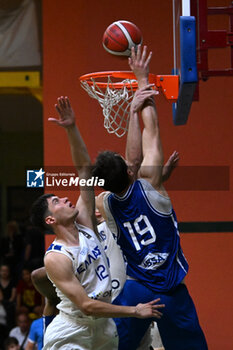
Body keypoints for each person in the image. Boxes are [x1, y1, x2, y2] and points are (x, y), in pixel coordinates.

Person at [92, 45, 208, 350]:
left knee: (114, 346)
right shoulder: (150, 183)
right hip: (170, 290)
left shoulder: (104, 203)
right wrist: (142, 82)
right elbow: (151, 131)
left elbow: (131, 163)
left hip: (137, 290)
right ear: (131, 172)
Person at [30, 96, 164, 350]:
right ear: (50, 219)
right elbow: (87, 306)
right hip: (73, 329)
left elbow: (84, 169)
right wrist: (135, 311)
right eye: (57, 201)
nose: (66, 199)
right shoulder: (56, 257)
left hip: (104, 329)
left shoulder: (86, 224)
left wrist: (71, 128)